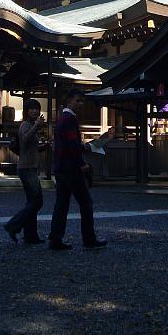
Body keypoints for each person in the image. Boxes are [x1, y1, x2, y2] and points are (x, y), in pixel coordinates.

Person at [48, 89, 107, 251]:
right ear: (69, 101)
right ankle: (89, 238)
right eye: (78, 101)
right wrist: (81, 163)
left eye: (82, 101)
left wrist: (84, 146)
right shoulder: (70, 119)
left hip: (60, 167)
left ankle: (55, 238)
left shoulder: (62, 118)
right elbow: (71, 145)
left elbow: (67, 144)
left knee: (61, 204)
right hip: (71, 168)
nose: (80, 104)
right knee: (86, 203)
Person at [3, 99, 49, 244]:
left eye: (37, 109)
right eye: (32, 109)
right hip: (26, 168)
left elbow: (31, 147)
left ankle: (31, 235)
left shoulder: (31, 125)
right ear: (26, 111)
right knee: (37, 201)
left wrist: (45, 146)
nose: (35, 111)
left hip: (31, 167)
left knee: (32, 202)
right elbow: (24, 138)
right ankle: (13, 225)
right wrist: (36, 126)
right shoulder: (25, 125)